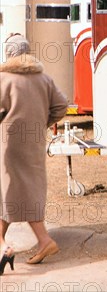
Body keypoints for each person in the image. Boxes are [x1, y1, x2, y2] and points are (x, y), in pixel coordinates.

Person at [0, 34, 68, 274]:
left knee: (9, 190)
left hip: (8, 145)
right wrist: (42, 122)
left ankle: (43, 240)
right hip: (34, 143)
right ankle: (4, 245)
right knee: (17, 191)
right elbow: (62, 105)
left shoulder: (3, 78)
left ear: (9, 54)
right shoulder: (44, 78)